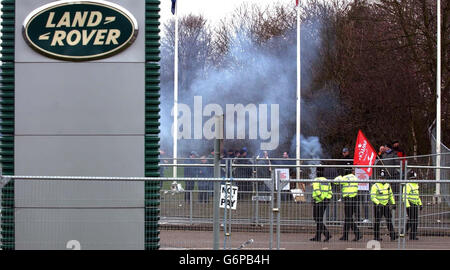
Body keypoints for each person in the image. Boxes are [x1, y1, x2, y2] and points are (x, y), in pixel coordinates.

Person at [334, 169, 362, 241]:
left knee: (348, 218)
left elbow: (336, 181)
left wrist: (340, 176)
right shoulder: (355, 178)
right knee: (348, 218)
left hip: (348, 199)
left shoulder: (344, 178)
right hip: (354, 198)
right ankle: (345, 236)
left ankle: (357, 233)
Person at [370, 170, 397, 241]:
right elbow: (372, 196)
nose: (382, 179)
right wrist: (378, 203)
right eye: (381, 178)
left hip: (386, 205)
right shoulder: (375, 185)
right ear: (378, 177)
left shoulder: (387, 185)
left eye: (383, 178)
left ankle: (392, 235)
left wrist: (393, 203)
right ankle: (376, 236)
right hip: (378, 206)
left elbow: (390, 195)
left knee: (389, 220)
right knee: (377, 221)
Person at [310, 167, 332, 242]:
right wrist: (327, 199)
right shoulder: (326, 181)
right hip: (325, 202)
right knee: (319, 219)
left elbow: (316, 190)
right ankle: (318, 237)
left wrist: (321, 198)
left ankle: (327, 234)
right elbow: (330, 192)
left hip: (318, 201)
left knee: (317, 219)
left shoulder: (316, 180)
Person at [404, 170, 422, 240]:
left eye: (415, 178)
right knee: (411, 219)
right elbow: (405, 196)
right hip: (410, 203)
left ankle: (412, 235)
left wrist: (420, 204)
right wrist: (408, 205)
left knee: (415, 220)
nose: (414, 180)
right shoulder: (407, 185)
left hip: (415, 204)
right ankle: (404, 232)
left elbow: (417, 196)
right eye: (413, 178)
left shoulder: (416, 185)